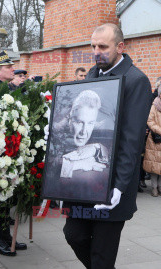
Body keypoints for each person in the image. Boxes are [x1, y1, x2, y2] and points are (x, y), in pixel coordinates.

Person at [63, 23, 152, 269]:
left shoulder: (136, 80)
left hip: (113, 184)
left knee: (102, 254)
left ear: (120, 46)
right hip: (85, 181)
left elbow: (132, 140)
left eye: (103, 46)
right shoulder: (93, 74)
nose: (96, 51)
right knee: (74, 235)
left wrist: (120, 187)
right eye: (93, 46)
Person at [0, 51, 27, 257]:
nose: (13, 69)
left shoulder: (7, 89)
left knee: (6, 198)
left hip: (10, 150)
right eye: (8, 67)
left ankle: (6, 237)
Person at [143, 89, 161, 197]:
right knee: (154, 166)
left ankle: (160, 186)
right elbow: (150, 121)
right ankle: (154, 188)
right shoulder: (155, 105)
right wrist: (159, 130)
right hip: (155, 139)